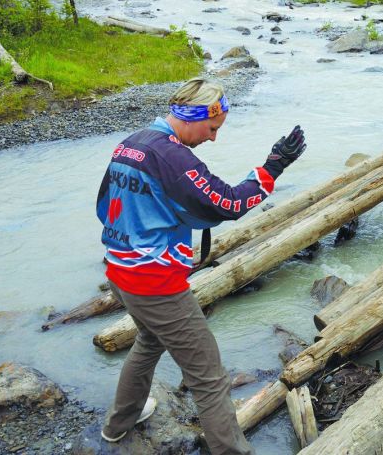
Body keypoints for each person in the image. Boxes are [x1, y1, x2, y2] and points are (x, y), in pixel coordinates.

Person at [96, 77, 306, 454]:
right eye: (212, 128)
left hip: (118, 269)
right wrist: (273, 167)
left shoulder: (132, 143)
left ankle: (118, 424)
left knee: (149, 340)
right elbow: (225, 203)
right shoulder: (173, 157)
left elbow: (104, 204)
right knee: (208, 378)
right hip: (154, 283)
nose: (213, 138)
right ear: (192, 116)